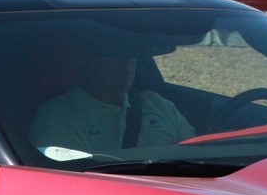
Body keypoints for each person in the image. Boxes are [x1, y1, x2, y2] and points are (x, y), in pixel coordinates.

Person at [29, 43, 194, 155]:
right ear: (86, 60)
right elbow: (73, 182)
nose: (127, 60)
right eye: (114, 52)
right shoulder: (58, 117)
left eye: (131, 51)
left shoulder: (157, 104)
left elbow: (195, 152)